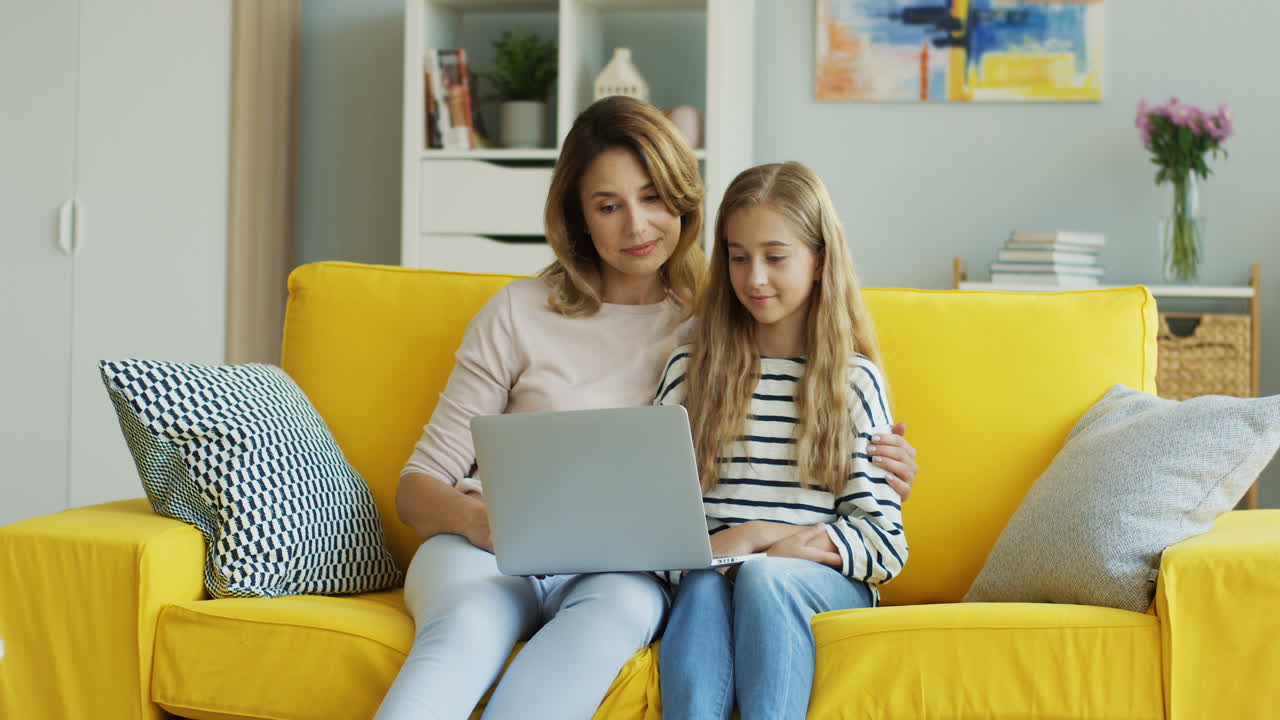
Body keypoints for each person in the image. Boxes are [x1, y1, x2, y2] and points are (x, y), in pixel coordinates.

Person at [375, 98, 918, 719]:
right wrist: (485, 523)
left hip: (616, 574)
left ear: (682, 200)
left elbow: (816, 390)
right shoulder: (517, 314)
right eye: (608, 206)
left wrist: (881, 464)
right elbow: (417, 487)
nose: (636, 226)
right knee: (464, 633)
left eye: (653, 197)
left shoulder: (717, 324)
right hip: (488, 554)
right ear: (579, 218)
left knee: (596, 637)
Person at [655, 161, 908, 720]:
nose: (755, 279)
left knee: (765, 579)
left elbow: (885, 546)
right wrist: (734, 546)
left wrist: (766, 540)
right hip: (710, 579)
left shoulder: (852, 382)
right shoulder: (688, 373)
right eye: (738, 257)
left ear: (819, 260)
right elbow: (653, 537)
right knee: (702, 589)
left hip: (815, 584)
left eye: (776, 257)